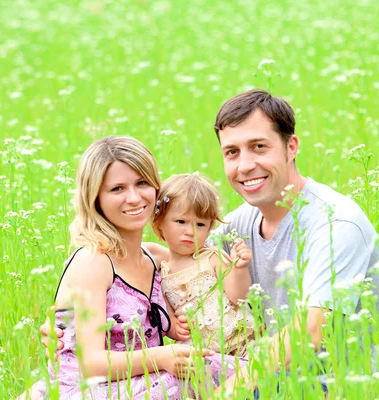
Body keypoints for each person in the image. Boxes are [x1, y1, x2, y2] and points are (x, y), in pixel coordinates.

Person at [26, 137, 244, 400]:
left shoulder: (155, 257)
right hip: (92, 390)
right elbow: (89, 362)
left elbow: (205, 252)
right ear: (95, 198)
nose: (133, 198)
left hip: (145, 380)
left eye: (142, 183)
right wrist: (162, 356)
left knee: (249, 369)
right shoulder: (93, 262)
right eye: (117, 189)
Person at [209, 89, 379, 392]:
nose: (245, 165)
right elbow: (186, 257)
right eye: (232, 152)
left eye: (259, 147)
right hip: (269, 382)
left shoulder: (335, 222)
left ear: (291, 147)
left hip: (334, 388)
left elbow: (310, 330)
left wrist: (227, 392)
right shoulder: (239, 223)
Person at [150, 173, 255, 356]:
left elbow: (239, 296)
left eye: (200, 224)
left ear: (209, 228)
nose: (190, 232)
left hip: (237, 341)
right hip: (200, 349)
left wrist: (239, 267)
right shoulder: (161, 270)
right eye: (181, 222)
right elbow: (167, 312)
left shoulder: (211, 257)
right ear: (159, 223)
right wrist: (174, 328)